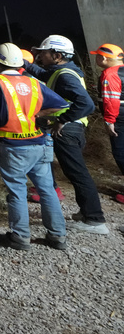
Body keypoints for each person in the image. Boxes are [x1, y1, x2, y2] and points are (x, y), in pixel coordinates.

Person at [0, 42, 69, 251]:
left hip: (13, 145)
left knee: (16, 192)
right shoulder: (33, 82)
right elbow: (62, 105)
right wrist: (39, 114)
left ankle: (20, 238)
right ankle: (58, 236)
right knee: (47, 190)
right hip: (40, 143)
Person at [25, 35, 108, 234]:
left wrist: (62, 120)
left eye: (44, 52)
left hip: (67, 130)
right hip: (73, 129)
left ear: (57, 55)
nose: (40, 56)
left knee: (78, 174)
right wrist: (23, 64)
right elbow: (44, 74)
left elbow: (86, 104)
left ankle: (95, 219)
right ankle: (87, 213)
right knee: (75, 173)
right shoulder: (61, 71)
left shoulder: (65, 76)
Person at [91, 42, 124, 203]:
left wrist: (109, 121)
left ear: (103, 58)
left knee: (120, 153)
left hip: (120, 119)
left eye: (97, 56)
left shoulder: (109, 75)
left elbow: (111, 100)